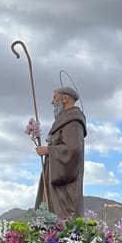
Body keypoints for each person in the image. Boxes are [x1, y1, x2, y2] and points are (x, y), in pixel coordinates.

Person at [34, 85, 87, 218]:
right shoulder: (64, 121)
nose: (52, 101)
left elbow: (73, 150)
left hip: (64, 185)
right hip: (53, 174)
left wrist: (49, 150)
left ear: (65, 98)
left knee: (63, 217)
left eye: (54, 97)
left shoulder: (73, 122)